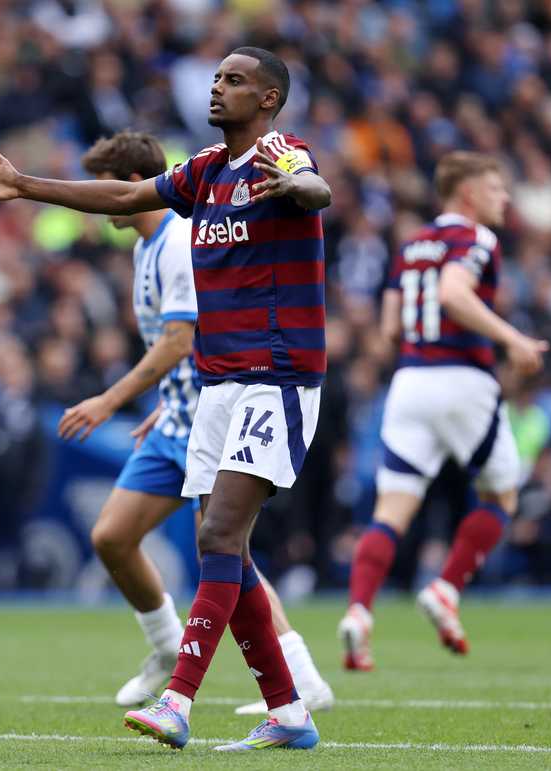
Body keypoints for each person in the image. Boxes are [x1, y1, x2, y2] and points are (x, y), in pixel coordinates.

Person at [0, 47, 330, 751]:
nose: (219, 88)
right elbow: (127, 196)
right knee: (227, 551)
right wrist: (25, 186)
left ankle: (178, 699)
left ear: (269, 99)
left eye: (236, 81)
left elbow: (315, 188)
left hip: (275, 378)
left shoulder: (279, 152)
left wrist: (300, 185)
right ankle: (290, 708)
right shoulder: (205, 174)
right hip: (220, 383)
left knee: (218, 536)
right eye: (216, 77)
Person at [55, 130, 332, 714]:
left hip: (229, 399)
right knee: (114, 536)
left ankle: (287, 683)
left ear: (132, 184)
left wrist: (110, 401)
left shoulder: (182, 238)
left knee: (227, 547)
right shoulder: (147, 244)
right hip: (186, 410)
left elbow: (181, 338)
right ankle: (166, 649)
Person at [337, 152, 549, 667]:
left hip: (408, 383)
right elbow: (454, 293)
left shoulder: (410, 245)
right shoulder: (477, 239)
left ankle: (360, 612)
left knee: (392, 512)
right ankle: (446, 589)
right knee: (502, 494)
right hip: (461, 379)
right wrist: (512, 338)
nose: (505, 199)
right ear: (469, 194)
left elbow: (389, 330)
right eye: (497, 189)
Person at [0, 337, 45, 590]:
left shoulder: (33, 411)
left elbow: (40, 457)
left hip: (20, 493)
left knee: (21, 546)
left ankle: (21, 590)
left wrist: (32, 490)